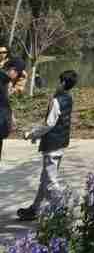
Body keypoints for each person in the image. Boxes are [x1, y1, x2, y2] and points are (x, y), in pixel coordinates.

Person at [17, 69, 78, 221]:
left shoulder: (57, 100)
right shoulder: (69, 98)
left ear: (63, 83)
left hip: (52, 147)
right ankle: (34, 209)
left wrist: (31, 134)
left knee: (50, 182)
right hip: (60, 143)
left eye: (59, 81)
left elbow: (49, 124)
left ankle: (63, 211)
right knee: (45, 179)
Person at [0, 57, 27, 161]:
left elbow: (4, 102)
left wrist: (11, 115)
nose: (18, 77)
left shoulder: (5, 82)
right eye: (18, 74)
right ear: (12, 69)